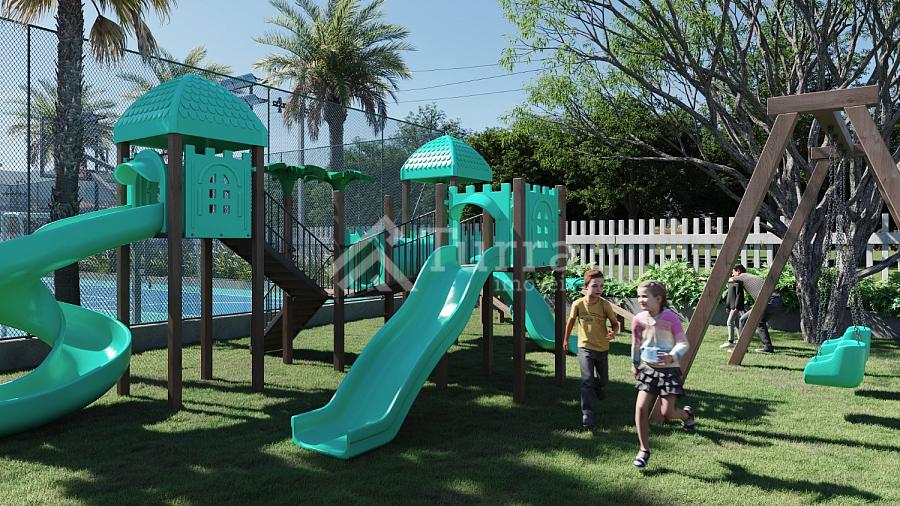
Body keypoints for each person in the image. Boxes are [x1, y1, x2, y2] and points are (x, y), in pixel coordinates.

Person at [631, 280, 695, 468]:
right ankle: (644, 450)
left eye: (645, 296)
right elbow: (636, 343)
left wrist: (671, 356)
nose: (640, 300)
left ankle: (686, 415)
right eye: (639, 296)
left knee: (667, 412)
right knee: (640, 408)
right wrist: (635, 363)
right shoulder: (638, 319)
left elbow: (683, 343)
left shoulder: (670, 318)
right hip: (649, 370)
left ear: (658, 299)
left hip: (669, 371)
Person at [564, 269, 620, 429]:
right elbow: (570, 322)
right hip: (585, 347)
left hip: (602, 348)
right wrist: (565, 340)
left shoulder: (605, 305)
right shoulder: (578, 304)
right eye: (595, 286)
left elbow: (615, 324)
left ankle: (598, 385)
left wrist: (613, 332)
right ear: (586, 286)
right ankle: (587, 414)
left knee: (603, 380)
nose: (599, 289)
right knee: (586, 381)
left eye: (601, 286)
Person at [730, 264, 783, 353]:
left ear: (738, 271)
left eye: (733, 272)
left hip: (768, 301)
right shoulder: (750, 276)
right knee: (760, 322)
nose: (732, 274)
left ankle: (741, 348)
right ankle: (768, 347)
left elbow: (728, 281)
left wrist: (708, 280)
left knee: (743, 320)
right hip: (776, 300)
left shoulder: (742, 276)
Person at [720, 279, 746, 349]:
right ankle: (740, 341)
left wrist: (736, 307)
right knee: (737, 323)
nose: (732, 273)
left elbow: (739, 295)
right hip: (732, 306)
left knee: (729, 322)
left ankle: (730, 341)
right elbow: (731, 296)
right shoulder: (732, 282)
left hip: (735, 307)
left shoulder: (738, 283)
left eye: (733, 272)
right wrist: (728, 307)